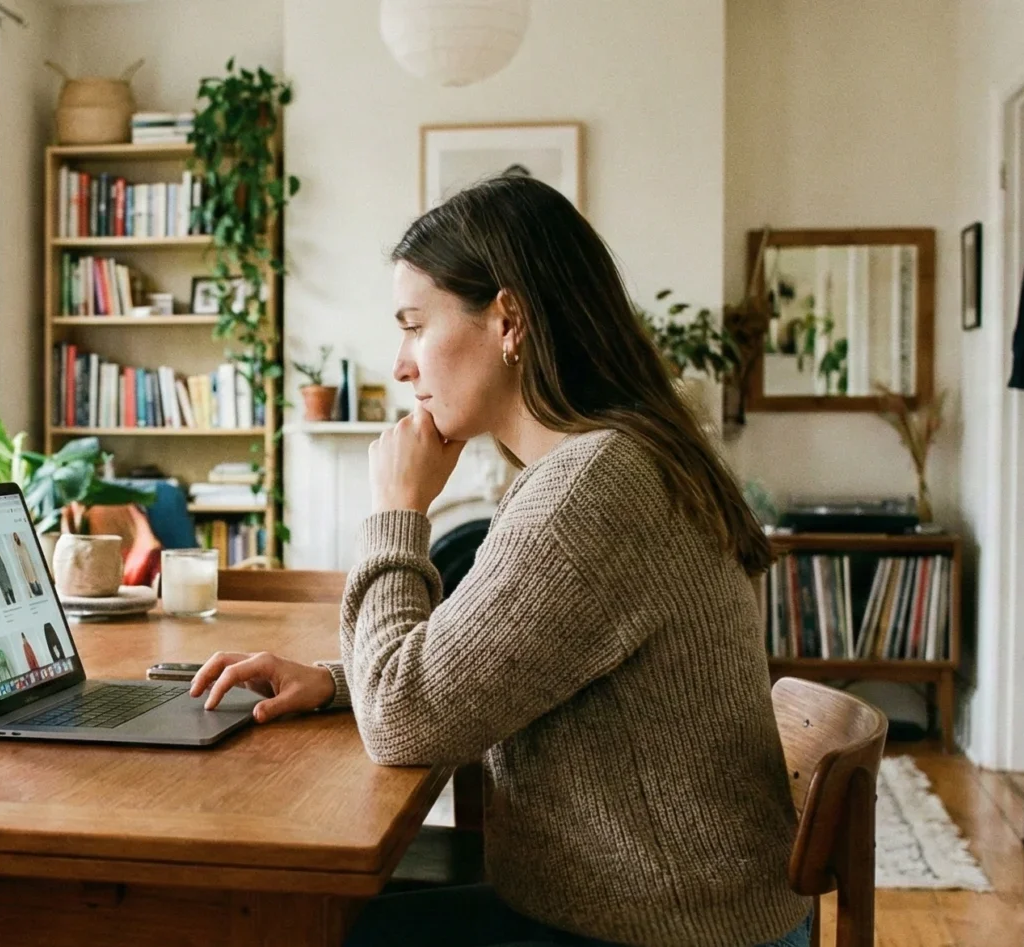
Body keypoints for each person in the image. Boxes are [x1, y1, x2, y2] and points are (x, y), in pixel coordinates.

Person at [188, 175, 810, 947]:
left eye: (416, 326)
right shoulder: (605, 461)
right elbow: (483, 666)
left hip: (661, 933)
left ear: (508, 319)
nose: (403, 365)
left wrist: (396, 510)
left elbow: (405, 722)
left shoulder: (593, 486)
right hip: (678, 916)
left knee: (275, 925)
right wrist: (335, 682)